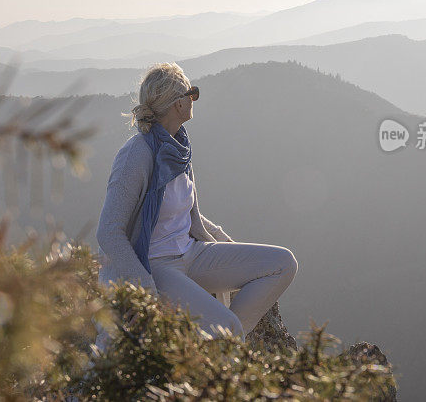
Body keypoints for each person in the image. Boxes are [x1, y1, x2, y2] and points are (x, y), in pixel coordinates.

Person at [92, 62, 298, 352]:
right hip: (157, 265)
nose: (194, 99)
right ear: (178, 103)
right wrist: (145, 286)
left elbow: (189, 215)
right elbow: (109, 231)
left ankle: (215, 347)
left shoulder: (178, 147)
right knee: (228, 329)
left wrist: (225, 241)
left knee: (283, 264)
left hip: (191, 252)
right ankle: (222, 343)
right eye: (193, 93)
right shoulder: (136, 155)